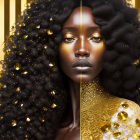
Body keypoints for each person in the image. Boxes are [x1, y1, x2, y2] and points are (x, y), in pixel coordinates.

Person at [0, 0, 139, 139]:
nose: (82, 49)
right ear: (50, 48)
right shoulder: (41, 128)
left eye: (95, 38)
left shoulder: (124, 117)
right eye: (69, 38)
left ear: (112, 45)